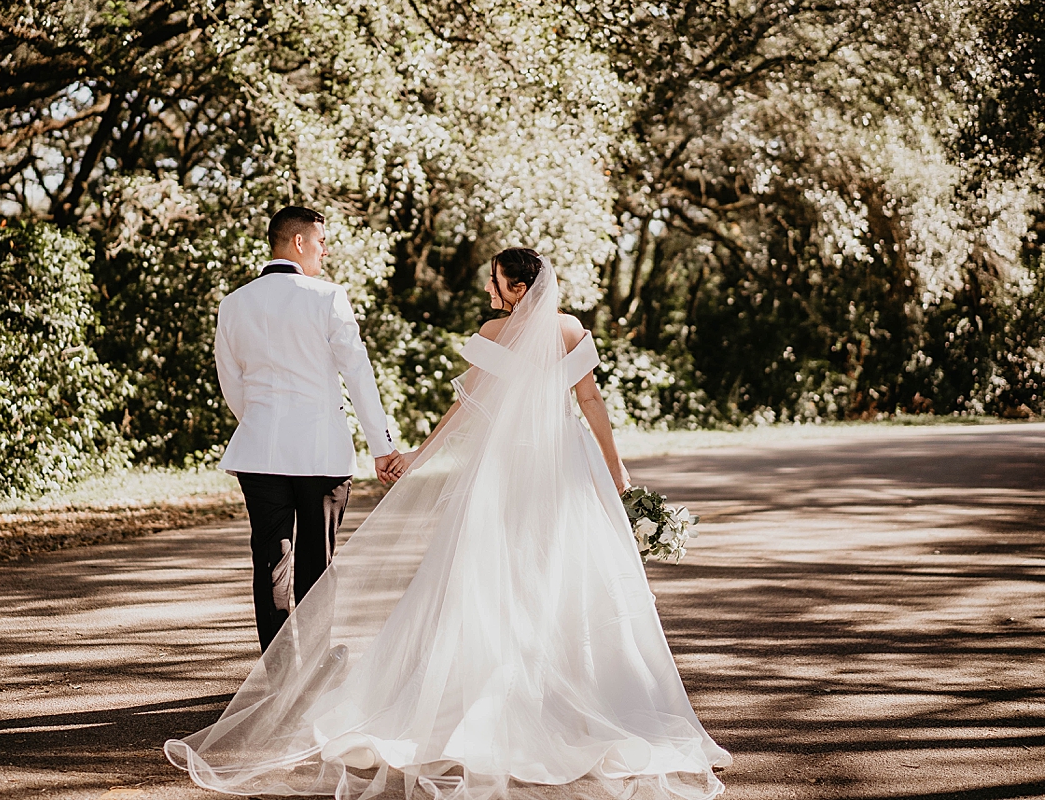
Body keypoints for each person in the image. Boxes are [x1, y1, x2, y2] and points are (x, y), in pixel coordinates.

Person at [172, 247, 730, 800]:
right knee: (565, 577)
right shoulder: (571, 330)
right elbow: (590, 402)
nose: (489, 292)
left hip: (505, 472)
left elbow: (465, 408)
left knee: (492, 577)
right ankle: (562, 694)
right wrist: (619, 473)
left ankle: (491, 693)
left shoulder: (492, 335)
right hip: (565, 467)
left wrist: (416, 455)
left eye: (495, 282)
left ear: (517, 289)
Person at [213, 205, 407, 652]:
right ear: (298, 242)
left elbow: (231, 381)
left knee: (271, 564)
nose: (325, 251)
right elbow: (357, 373)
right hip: (321, 453)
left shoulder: (234, 302)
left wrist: (261, 422)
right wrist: (382, 446)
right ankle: (316, 671)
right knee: (318, 564)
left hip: (259, 453)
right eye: (321, 242)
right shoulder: (327, 297)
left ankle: (279, 674)